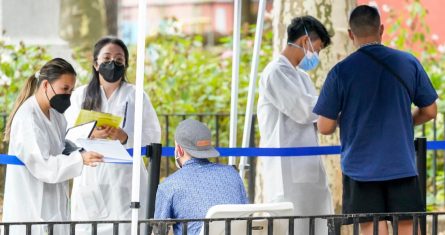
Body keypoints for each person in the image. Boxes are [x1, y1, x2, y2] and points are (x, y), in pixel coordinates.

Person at [314, 5, 438, 235]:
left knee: (371, 227)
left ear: (351, 34)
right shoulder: (408, 63)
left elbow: (325, 126)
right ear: (381, 29)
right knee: (407, 227)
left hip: (359, 167)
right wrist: (404, 121)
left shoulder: (341, 72)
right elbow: (430, 110)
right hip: (401, 164)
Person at [64, 37, 161, 234]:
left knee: (127, 226)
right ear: (95, 63)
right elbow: (66, 134)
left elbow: (153, 135)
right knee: (88, 227)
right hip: (90, 176)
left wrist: (125, 136)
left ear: (125, 64)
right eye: (107, 58)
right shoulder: (79, 96)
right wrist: (90, 132)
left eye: (119, 59)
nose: (112, 63)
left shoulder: (136, 95)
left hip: (125, 179)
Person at [1, 58, 103, 235]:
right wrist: (80, 159)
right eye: (64, 89)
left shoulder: (55, 115)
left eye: (71, 91)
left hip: (52, 210)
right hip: (32, 212)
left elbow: (61, 145)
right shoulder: (28, 118)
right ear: (46, 85)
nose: (68, 96)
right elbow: (44, 166)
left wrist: (82, 143)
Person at [257, 15, 333, 234]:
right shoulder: (275, 72)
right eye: (316, 49)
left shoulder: (302, 77)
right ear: (303, 42)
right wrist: (335, 103)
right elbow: (306, 110)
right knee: (291, 226)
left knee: (317, 225)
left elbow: (319, 117)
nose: (316, 55)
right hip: (286, 171)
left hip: (308, 169)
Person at [154, 119, 248, 235]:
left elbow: (159, 231)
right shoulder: (232, 174)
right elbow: (246, 214)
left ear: (179, 150)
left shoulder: (169, 186)